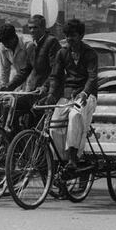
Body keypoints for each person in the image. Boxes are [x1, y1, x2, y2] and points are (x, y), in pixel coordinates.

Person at [42, 19, 98, 170]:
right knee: (54, 125)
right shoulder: (62, 53)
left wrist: (85, 93)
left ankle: (73, 157)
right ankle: (60, 159)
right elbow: (55, 76)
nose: (69, 39)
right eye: (66, 36)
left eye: (72, 35)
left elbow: (92, 77)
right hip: (67, 96)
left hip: (88, 95)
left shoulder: (90, 53)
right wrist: (52, 94)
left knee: (75, 116)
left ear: (80, 35)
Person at [0, 15, 60, 128]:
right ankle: (13, 142)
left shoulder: (51, 42)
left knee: (35, 124)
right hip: (34, 91)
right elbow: (26, 70)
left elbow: (56, 69)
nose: (32, 31)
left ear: (43, 27)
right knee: (11, 108)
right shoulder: (34, 44)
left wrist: (45, 86)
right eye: (30, 28)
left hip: (49, 92)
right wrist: (8, 86)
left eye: (35, 27)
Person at [0, 23, 29, 91]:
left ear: (14, 37)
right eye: (4, 43)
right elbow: (4, 69)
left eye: (8, 42)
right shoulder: (3, 46)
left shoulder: (27, 44)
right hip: (17, 80)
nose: (6, 45)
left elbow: (32, 69)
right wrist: (3, 87)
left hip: (31, 79)